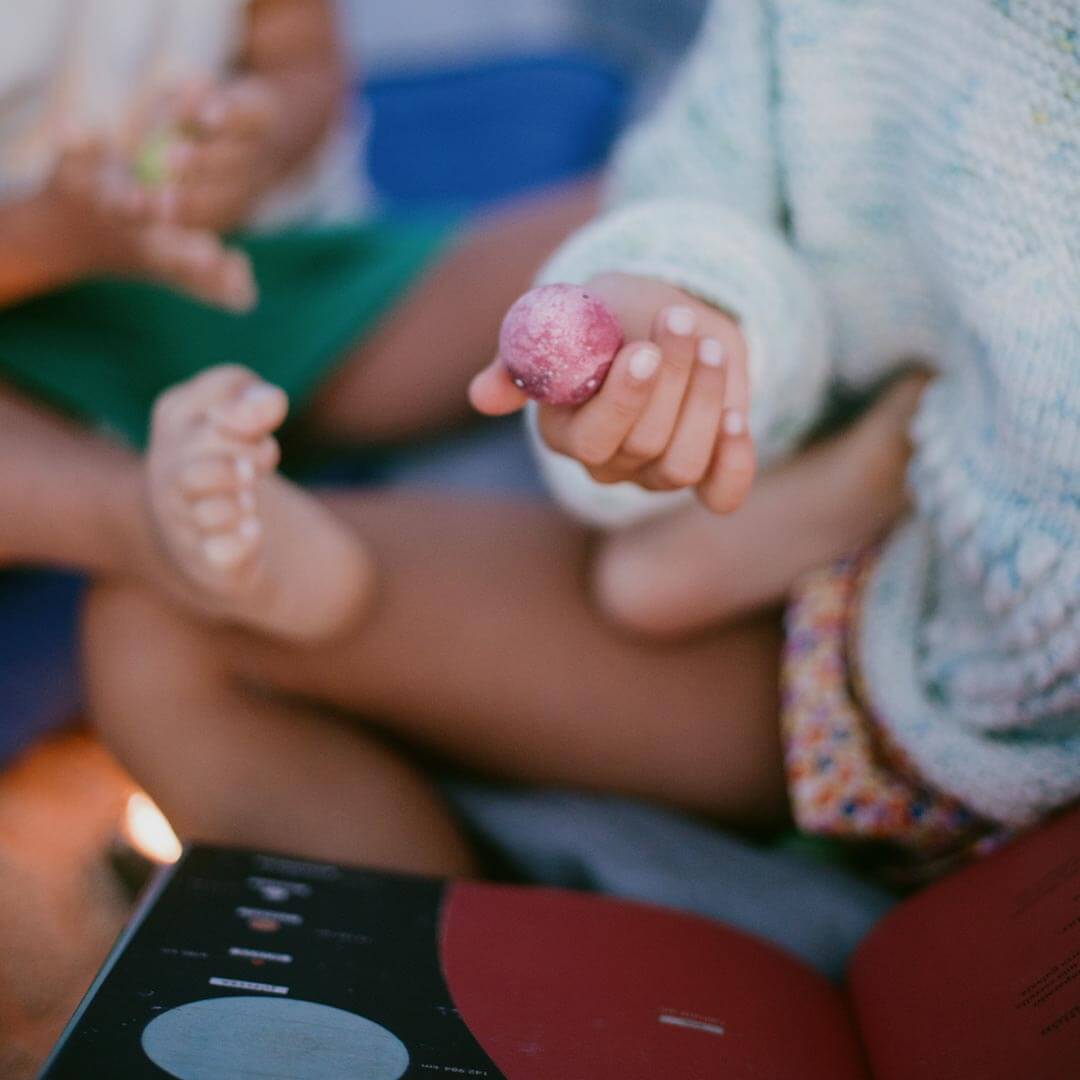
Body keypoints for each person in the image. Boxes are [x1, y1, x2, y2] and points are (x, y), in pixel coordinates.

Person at [84, 0, 1078, 879]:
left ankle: (716, 546)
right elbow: (713, 182)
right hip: (862, 618)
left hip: (960, 691)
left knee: (214, 600)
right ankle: (450, 1005)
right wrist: (679, 294)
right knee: (157, 617)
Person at [0, 0, 597, 585]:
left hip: (261, 274)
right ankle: (149, 517)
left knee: (562, 266)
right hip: (25, 344)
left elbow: (303, 64)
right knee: (37, 480)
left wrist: (261, 143)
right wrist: (48, 242)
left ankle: (242, 498)